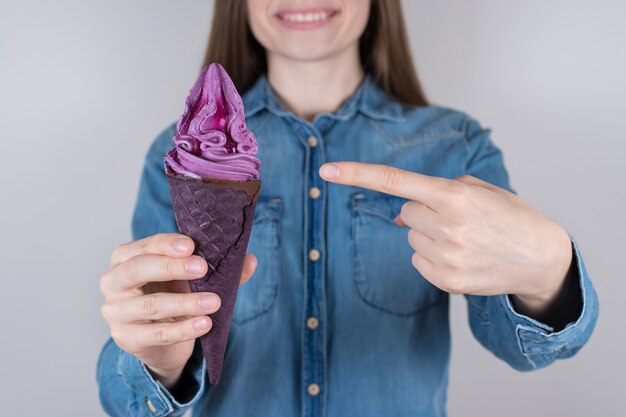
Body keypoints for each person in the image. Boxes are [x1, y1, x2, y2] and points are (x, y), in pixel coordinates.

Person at [97, 1, 599, 416]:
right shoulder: (183, 157)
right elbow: (127, 402)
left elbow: (524, 347)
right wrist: (159, 361)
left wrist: (549, 274)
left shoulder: (455, 148)